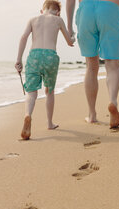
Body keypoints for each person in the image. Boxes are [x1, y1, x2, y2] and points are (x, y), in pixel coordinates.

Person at [66, 0, 119, 128]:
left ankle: (92, 115)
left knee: (91, 66)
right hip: (110, 9)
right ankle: (113, 101)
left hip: (86, 11)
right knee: (113, 65)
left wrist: (69, 27)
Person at [15, 0, 75, 140]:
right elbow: (69, 41)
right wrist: (72, 36)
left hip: (34, 56)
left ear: (41, 11)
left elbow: (23, 37)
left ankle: (28, 115)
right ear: (58, 12)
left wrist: (18, 59)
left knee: (31, 92)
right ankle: (49, 123)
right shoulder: (58, 20)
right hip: (50, 57)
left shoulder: (33, 19)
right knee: (49, 91)